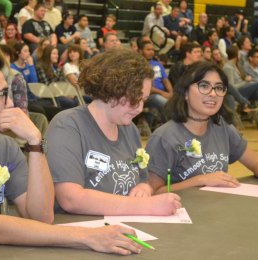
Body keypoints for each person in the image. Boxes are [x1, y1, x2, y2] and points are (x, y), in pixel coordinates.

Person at [0, 52, 144, 256]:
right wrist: (88, 236)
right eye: (2, 94)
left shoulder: (4, 147)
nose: (11, 101)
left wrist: (35, 142)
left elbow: (41, 216)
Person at [46, 48, 181, 215]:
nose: (139, 108)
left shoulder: (129, 128)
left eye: (144, 100)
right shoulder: (67, 125)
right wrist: (145, 206)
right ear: (111, 89)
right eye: (134, 99)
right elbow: (70, 198)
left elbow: (143, 179)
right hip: (79, 229)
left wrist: (143, 187)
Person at [146, 61, 258, 192]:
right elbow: (153, 192)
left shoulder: (223, 127)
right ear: (186, 93)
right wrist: (201, 180)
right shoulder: (164, 137)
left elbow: (256, 162)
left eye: (219, 88)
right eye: (204, 86)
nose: (213, 94)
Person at [223, 46, 258, 131]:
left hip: (244, 89)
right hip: (238, 92)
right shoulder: (228, 67)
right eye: (239, 53)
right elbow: (232, 86)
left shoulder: (236, 65)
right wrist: (246, 81)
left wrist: (247, 81)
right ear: (236, 55)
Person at [139, 40, 172, 121]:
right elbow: (146, 87)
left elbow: (165, 80)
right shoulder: (138, 65)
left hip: (162, 94)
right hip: (148, 96)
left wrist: (171, 93)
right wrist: (163, 93)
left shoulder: (157, 64)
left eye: (152, 50)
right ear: (140, 51)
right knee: (164, 103)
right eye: (148, 50)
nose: (151, 52)